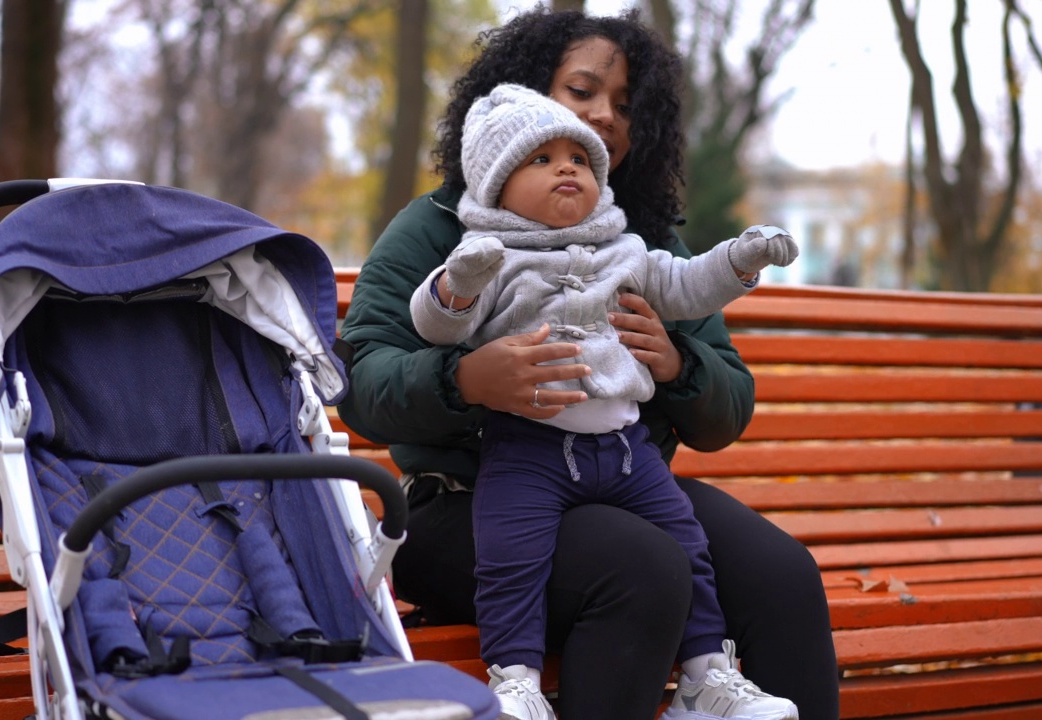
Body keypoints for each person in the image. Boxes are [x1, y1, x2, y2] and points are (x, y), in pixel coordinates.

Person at [337, 8, 841, 720]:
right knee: (642, 569)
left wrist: (676, 364)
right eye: (583, 92)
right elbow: (360, 378)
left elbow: (729, 408)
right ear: (523, 99)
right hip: (468, 503)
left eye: (626, 107)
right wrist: (464, 380)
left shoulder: (634, 240)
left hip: (619, 478)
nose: (605, 116)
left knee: (781, 574)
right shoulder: (443, 228)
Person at [409, 81, 799, 720]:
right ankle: (516, 683)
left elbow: (684, 287)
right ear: (496, 184)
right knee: (513, 559)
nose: (568, 166)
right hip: (528, 450)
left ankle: (706, 680)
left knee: (687, 545)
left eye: (579, 158)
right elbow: (437, 325)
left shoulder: (626, 249)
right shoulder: (488, 254)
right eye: (542, 158)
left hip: (626, 450)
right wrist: (459, 282)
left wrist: (740, 259)